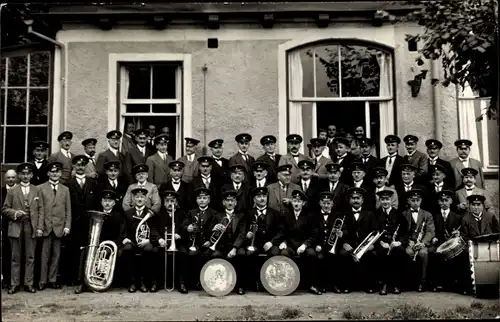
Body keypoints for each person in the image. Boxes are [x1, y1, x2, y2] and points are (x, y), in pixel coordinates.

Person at [2, 163, 43, 294]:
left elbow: (41, 209)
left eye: (28, 173)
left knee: (30, 256)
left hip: (31, 226)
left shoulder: (37, 190)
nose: (25, 176)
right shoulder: (13, 191)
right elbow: (4, 209)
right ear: (19, 175)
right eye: (23, 174)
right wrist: (15, 213)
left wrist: (39, 227)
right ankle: (14, 284)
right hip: (16, 225)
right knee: (16, 256)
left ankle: (28, 283)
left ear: (31, 175)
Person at [74, 190, 126, 294]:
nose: (107, 203)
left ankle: (100, 280)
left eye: (110, 201)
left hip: (111, 244)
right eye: (105, 200)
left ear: (114, 203)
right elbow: (88, 232)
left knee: (106, 251)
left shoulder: (119, 216)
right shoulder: (96, 213)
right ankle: (82, 283)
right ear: (101, 202)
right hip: (96, 243)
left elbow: (121, 234)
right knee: (86, 251)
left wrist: (115, 244)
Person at [241, 187, 283, 291]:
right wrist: (247, 235)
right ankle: (253, 282)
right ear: (254, 200)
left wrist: (271, 242)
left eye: (264, 196)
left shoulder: (275, 213)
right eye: (259, 196)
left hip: (269, 244)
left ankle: (272, 282)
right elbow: (243, 229)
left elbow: (281, 231)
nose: (262, 199)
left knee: (275, 253)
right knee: (249, 254)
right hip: (254, 244)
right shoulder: (248, 213)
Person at [38, 161, 72, 290]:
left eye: (57, 172)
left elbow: (68, 210)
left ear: (61, 173)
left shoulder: (65, 189)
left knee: (56, 255)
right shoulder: (40, 188)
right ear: (48, 173)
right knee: (44, 255)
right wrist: (40, 227)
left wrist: (67, 226)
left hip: (59, 227)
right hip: (46, 226)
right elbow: (39, 209)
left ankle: (52, 279)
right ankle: (42, 280)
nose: (54, 174)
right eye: (52, 172)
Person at [66, 155, 99, 286]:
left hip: (89, 222)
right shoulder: (68, 184)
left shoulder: (93, 183)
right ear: (73, 166)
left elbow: (96, 203)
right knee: (73, 249)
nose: (80, 167)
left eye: (83, 165)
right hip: (74, 222)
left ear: (86, 166)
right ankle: (74, 277)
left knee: (89, 249)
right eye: (78, 165)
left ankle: (87, 276)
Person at [279, 189, 320, 295]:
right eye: (294, 201)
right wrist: (283, 242)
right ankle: (286, 284)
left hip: (304, 244)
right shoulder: (286, 215)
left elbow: (314, 234)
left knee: (311, 254)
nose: (296, 204)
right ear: (291, 202)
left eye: (299, 201)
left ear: (303, 203)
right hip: (291, 245)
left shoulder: (310, 216)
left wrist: (305, 245)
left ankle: (312, 285)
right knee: (284, 253)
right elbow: (282, 231)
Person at [206, 190, 247, 295]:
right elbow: (210, 232)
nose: (230, 203)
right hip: (222, 246)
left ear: (236, 202)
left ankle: (240, 285)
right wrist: (214, 229)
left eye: (232, 200)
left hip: (236, 246)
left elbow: (242, 234)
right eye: (227, 201)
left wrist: (235, 248)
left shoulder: (241, 216)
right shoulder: (217, 215)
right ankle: (219, 284)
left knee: (241, 254)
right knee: (215, 255)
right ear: (223, 202)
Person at [340, 187, 379, 293]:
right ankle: (347, 285)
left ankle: (370, 285)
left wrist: (371, 245)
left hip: (365, 246)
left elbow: (375, 231)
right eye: (353, 198)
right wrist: (344, 243)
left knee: (372, 255)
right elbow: (341, 231)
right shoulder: (344, 214)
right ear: (349, 200)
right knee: (343, 254)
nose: (356, 200)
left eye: (358, 198)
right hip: (350, 245)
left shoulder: (369, 214)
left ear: (362, 200)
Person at [122, 187, 160, 293]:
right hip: (132, 241)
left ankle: (144, 282)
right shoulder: (128, 213)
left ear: (146, 199)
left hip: (146, 241)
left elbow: (153, 229)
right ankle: (133, 282)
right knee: (127, 249)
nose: (139, 199)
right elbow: (123, 229)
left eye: (142, 197)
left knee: (149, 250)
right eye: (137, 197)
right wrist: (125, 238)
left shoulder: (151, 213)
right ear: (133, 199)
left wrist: (149, 240)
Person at [182, 187, 218, 291]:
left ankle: (204, 281)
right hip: (194, 243)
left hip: (208, 243)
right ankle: (193, 281)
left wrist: (210, 241)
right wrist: (187, 228)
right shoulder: (191, 212)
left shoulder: (214, 213)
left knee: (207, 256)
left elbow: (216, 230)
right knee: (192, 255)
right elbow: (183, 225)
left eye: (204, 198)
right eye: (199, 198)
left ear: (209, 200)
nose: (202, 200)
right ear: (196, 200)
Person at [427, 190, 462, 293]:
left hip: (451, 243)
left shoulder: (457, 216)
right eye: (441, 201)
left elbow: (461, 232)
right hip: (438, 243)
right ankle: (436, 283)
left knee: (457, 254)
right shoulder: (434, 216)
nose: (444, 203)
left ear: (451, 201)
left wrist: (457, 234)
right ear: (438, 202)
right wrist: (433, 237)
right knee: (432, 253)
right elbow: (431, 229)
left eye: (446, 200)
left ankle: (453, 284)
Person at [401, 189, 435, 292]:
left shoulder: (427, 214)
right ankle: (409, 282)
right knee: (408, 252)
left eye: (418, 200)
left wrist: (423, 243)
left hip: (421, 243)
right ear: (408, 201)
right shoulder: (403, 214)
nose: (415, 203)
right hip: (409, 242)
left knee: (423, 254)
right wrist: (408, 241)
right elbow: (401, 231)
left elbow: (430, 231)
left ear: (421, 201)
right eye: (413, 200)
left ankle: (422, 282)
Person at [156, 190, 188, 293]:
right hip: (163, 242)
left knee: (183, 253)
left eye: (173, 201)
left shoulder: (182, 214)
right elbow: (153, 228)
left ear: (177, 203)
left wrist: (180, 234)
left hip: (177, 242)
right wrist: (159, 239)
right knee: (155, 253)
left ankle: (182, 282)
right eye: (167, 201)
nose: (170, 203)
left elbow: (185, 227)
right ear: (164, 203)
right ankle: (156, 282)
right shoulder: (158, 214)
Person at [374, 190, 406, 295]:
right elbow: (374, 231)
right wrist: (381, 242)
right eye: (382, 199)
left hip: (395, 243)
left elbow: (405, 231)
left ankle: (396, 284)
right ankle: (384, 284)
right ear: (379, 200)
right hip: (382, 243)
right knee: (382, 253)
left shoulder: (399, 214)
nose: (385, 202)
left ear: (391, 200)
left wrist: (399, 242)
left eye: (387, 199)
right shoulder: (376, 214)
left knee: (398, 252)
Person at [312, 191, 344, 294]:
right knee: (320, 258)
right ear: (320, 203)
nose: (326, 205)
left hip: (334, 246)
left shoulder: (337, 215)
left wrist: (342, 233)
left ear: (332, 204)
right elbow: (311, 233)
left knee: (335, 259)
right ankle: (320, 285)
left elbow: (346, 230)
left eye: (328, 203)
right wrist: (316, 245)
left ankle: (334, 284)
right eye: (324, 203)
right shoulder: (314, 216)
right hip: (320, 246)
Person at [1, 169, 18, 288]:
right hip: (4, 225)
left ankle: (17, 279)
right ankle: (6, 279)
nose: (11, 180)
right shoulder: (1, 191)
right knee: (6, 252)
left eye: (13, 177)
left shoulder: (19, 191)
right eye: (8, 177)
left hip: (17, 225)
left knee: (16, 253)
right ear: (5, 179)